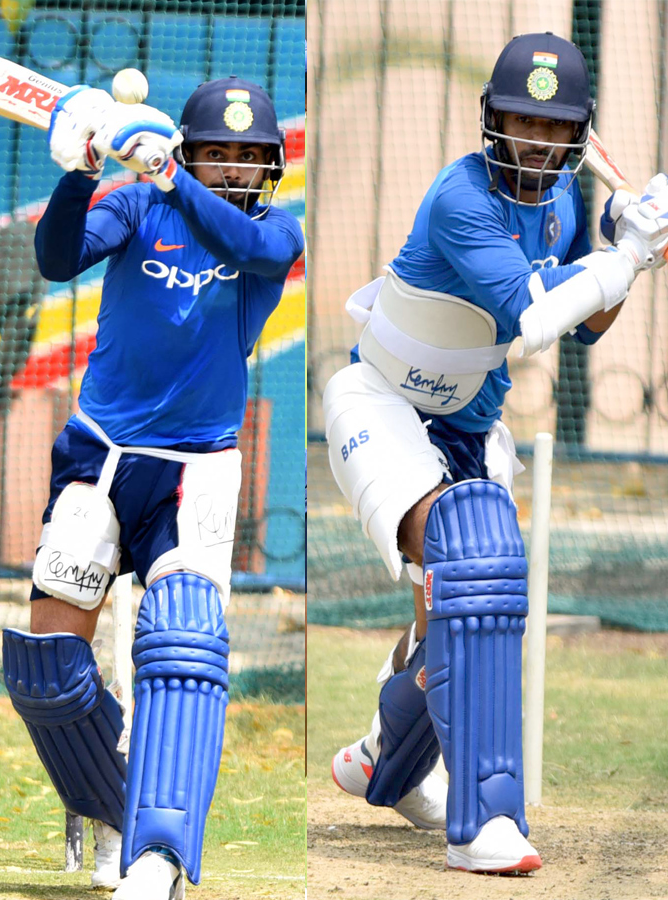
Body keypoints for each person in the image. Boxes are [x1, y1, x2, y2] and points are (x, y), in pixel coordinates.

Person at [324, 32, 668, 874]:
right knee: (471, 559)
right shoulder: (460, 198)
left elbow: (590, 322)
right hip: (384, 407)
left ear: (579, 134)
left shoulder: (559, 204)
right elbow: (535, 316)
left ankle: (381, 761)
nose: (536, 143)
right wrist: (625, 255)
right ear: (491, 122)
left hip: (473, 428)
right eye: (520, 123)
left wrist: (629, 256)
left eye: (554, 129)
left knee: (451, 625)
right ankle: (484, 822)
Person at [0, 77, 304, 899]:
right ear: (193, 149)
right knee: (45, 672)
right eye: (220, 154)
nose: (236, 169)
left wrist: (174, 175)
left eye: (251, 157)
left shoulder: (275, 231)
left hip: (196, 468)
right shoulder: (136, 206)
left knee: (182, 650)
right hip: (98, 454)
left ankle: (158, 856)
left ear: (271, 166)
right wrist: (78, 171)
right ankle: (109, 808)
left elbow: (250, 249)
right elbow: (56, 259)